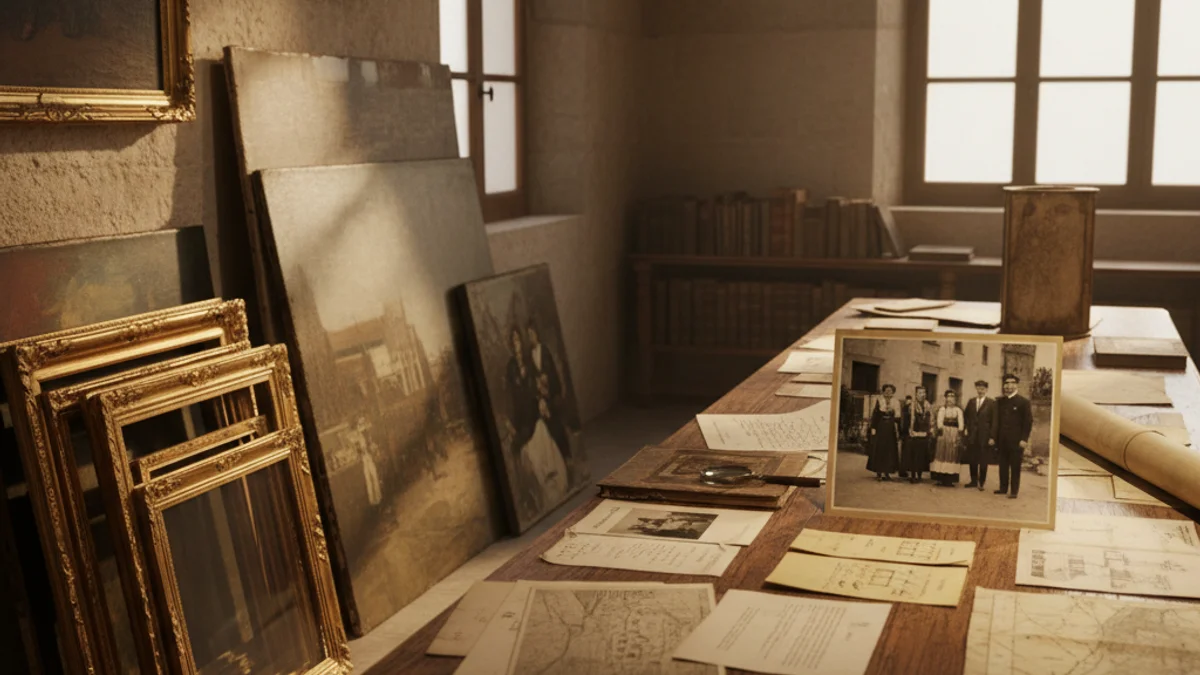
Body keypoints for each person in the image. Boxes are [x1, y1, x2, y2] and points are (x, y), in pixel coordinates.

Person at [505, 326, 568, 515]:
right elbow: (510, 395)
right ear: (510, 344)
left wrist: (541, 399)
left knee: (542, 437)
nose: (516, 344)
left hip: (533, 412)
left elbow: (539, 384)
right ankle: (526, 496)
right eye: (513, 340)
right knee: (517, 448)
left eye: (518, 340)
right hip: (520, 415)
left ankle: (552, 482)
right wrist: (509, 423)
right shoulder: (511, 366)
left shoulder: (528, 361)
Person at [526, 319, 573, 463]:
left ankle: (568, 457)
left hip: (552, 394)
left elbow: (551, 372)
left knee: (558, 426)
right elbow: (532, 377)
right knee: (549, 428)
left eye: (532, 333)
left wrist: (549, 386)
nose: (530, 337)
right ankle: (559, 461)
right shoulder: (530, 356)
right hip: (543, 399)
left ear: (537, 334)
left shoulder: (544, 350)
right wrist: (539, 395)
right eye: (528, 335)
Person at [993, 373, 1033, 499]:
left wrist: (1024, 439)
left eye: (1012, 383)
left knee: (1015, 466)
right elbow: (997, 421)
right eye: (1006, 383)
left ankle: (1014, 491)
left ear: (1016, 385)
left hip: (1016, 441)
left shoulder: (1023, 402)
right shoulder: (1000, 401)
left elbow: (1028, 422)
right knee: (1003, 465)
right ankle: (1003, 488)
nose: (1009, 386)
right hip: (1002, 440)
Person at [962, 379, 997, 491]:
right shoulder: (971, 402)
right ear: (976, 389)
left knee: (983, 460)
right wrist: (966, 428)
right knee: (972, 459)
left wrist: (992, 437)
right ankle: (973, 481)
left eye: (982, 388)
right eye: (978, 388)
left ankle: (981, 482)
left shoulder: (991, 403)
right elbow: (966, 416)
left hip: (984, 436)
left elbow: (994, 421)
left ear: (986, 390)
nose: (980, 390)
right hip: (972, 435)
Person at [866, 384, 901, 481]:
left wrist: (893, 412)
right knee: (880, 449)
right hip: (881, 427)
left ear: (893, 392)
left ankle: (887, 473)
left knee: (890, 450)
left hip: (890, 427)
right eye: (886, 391)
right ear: (883, 392)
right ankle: (879, 472)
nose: (888, 393)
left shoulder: (896, 402)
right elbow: (875, 415)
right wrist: (873, 428)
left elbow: (898, 417)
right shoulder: (879, 400)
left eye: (890, 391)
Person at [930, 390, 964, 486]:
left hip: (954, 432)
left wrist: (959, 432)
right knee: (941, 453)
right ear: (945, 398)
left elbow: (961, 423)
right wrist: (941, 430)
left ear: (955, 399)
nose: (950, 399)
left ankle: (950, 479)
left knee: (952, 454)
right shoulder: (942, 409)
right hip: (944, 433)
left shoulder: (958, 410)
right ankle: (940, 478)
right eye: (948, 397)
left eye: (952, 397)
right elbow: (939, 422)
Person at [901, 386, 933, 483]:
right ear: (916, 394)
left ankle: (919, 475)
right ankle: (913, 475)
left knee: (921, 455)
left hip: (924, 433)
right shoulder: (911, 406)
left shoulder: (928, 405)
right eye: (920, 393)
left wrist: (929, 431)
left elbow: (931, 419)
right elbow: (906, 421)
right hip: (913, 433)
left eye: (924, 393)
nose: (922, 395)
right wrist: (907, 432)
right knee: (913, 455)